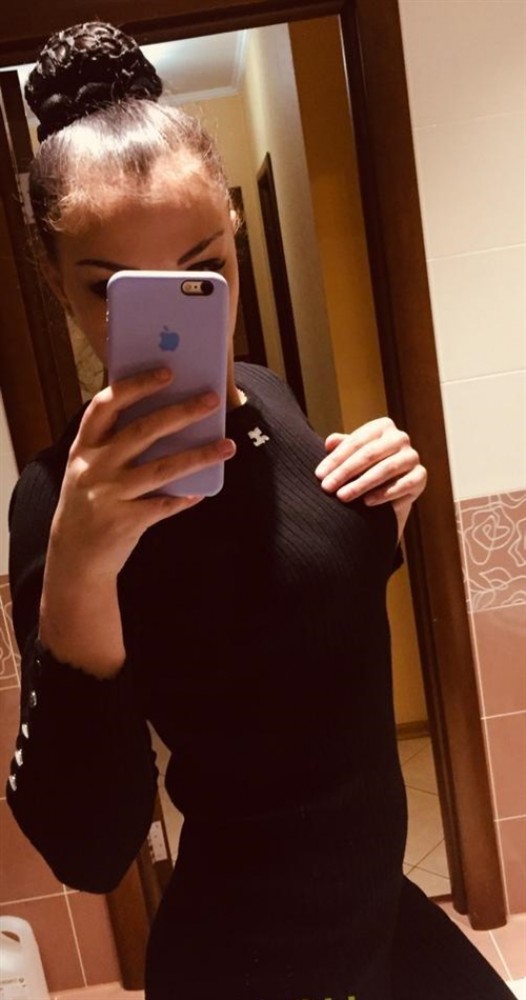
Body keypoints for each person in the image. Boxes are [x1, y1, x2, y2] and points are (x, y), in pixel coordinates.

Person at [5, 22, 513, 1000]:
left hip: (376, 912)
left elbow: (297, 611)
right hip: (251, 959)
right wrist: (80, 570)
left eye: (203, 265)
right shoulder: (59, 495)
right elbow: (88, 844)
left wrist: (388, 504)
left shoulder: (268, 393)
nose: (169, 318)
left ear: (235, 231)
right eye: (112, 289)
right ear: (57, 286)